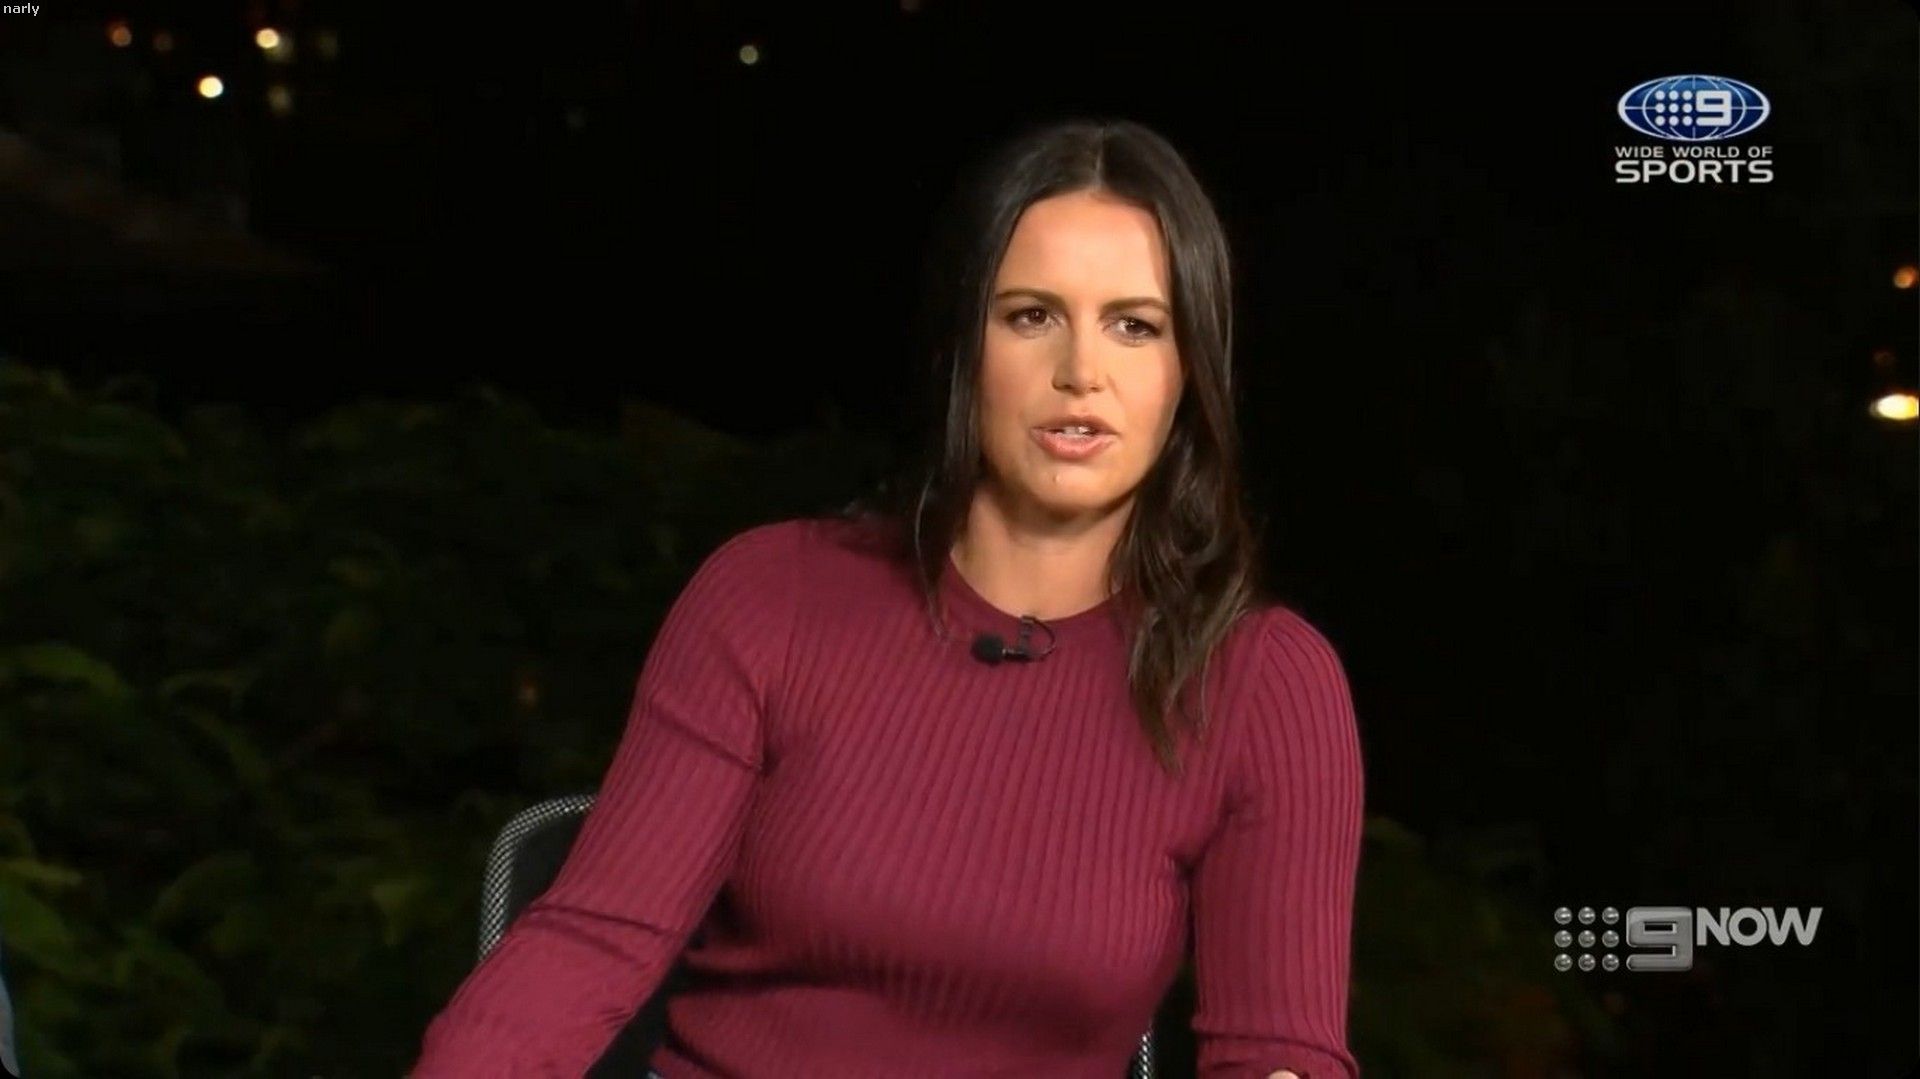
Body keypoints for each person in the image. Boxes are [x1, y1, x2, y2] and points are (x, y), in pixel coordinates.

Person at [411, 116, 1364, 1079]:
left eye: (1135, 325)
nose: (1082, 371)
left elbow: (1277, 1055)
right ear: (963, 346)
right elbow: (591, 941)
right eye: (1031, 315)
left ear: (1189, 371)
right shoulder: (771, 595)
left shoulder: (1265, 681)